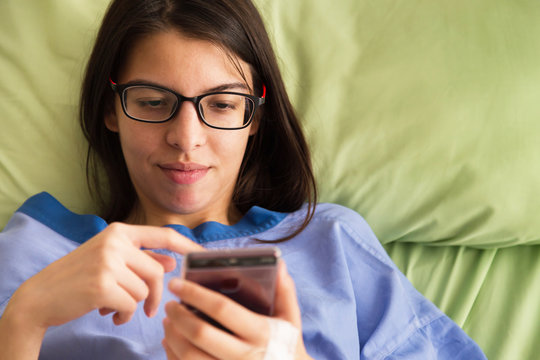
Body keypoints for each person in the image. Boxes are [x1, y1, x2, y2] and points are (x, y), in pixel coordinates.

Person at [0, 0, 487, 359]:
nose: (186, 139)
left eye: (223, 104)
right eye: (152, 102)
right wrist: (24, 320)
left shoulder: (332, 243)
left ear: (256, 116)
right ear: (112, 108)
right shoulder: (35, 251)